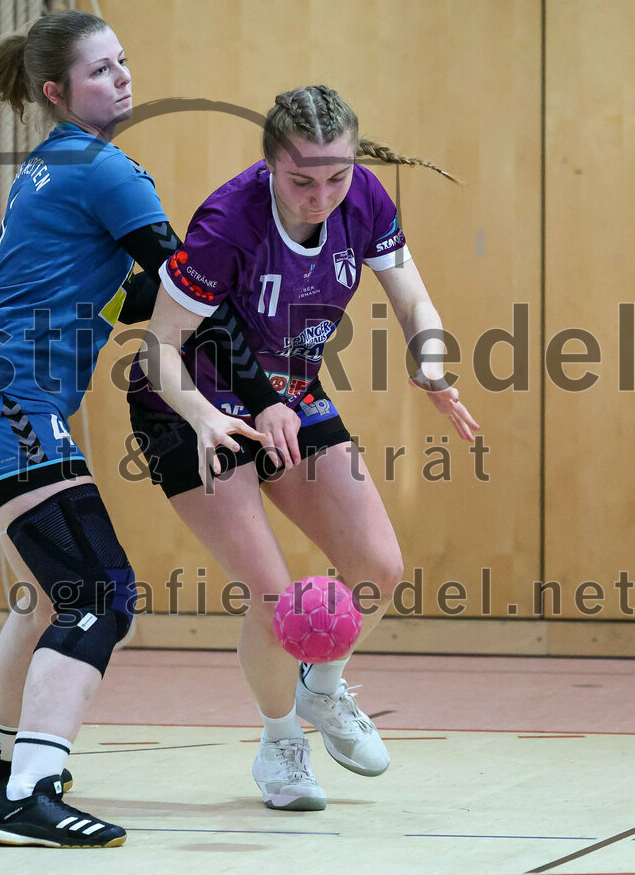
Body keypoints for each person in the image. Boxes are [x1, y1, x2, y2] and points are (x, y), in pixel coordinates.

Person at [0, 10, 287, 847]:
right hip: (9, 400)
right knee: (99, 596)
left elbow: (129, 295)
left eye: (123, 62)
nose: (121, 77)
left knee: (45, 597)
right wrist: (264, 395)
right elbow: (188, 293)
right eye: (100, 71)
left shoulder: (51, 167)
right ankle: (28, 792)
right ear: (57, 92)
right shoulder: (107, 170)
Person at [130, 84, 479, 811]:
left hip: (290, 394)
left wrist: (431, 362)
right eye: (301, 180)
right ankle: (278, 741)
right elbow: (158, 346)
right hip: (188, 405)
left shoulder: (366, 200)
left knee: (378, 568)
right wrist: (201, 416)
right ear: (267, 167)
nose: (320, 196)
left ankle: (320, 688)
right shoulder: (228, 221)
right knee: (274, 599)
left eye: (336, 176)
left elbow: (411, 298)